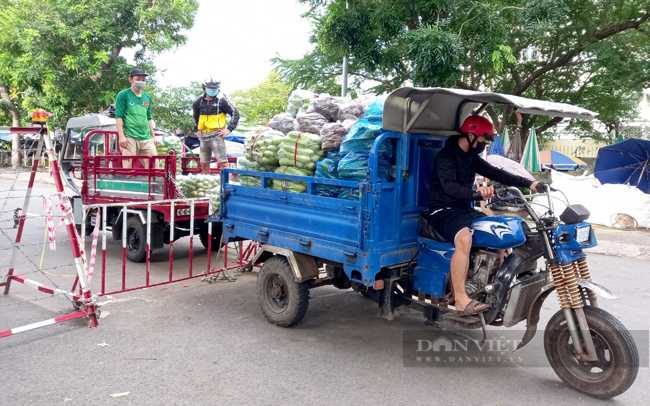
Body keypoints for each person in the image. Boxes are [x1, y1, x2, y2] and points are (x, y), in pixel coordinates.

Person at [426, 115, 545, 315]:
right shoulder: (446, 156)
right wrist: (476, 193)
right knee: (464, 239)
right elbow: (449, 188)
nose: (483, 144)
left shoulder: (471, 158)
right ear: (471, 135)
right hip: (442, 210)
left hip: (464, 209)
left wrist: (529, 183)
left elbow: (497, 173)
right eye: (483, 139)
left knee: (499, 235)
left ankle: (494, 289)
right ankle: (461, 298)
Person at [192, 76, 240, 174]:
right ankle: (206, 184)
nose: (213, 90)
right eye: (210, 88)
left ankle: (228, 185)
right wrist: (197, 129)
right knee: (204, 163)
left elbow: (235, 113)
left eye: (215, 88)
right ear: (204, 87)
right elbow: (194, 116)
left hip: (216, 135)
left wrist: (229, 129)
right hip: (203, 136)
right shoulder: (199, 102)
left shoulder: (222, 101)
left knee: (223, 162)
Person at [115, 68, 157, 168]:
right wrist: (121, 136)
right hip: (129, 136)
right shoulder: (123, 95)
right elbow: (119, 116)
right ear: (131, 80)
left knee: (154, 166)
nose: (141, 82)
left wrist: (153, 136)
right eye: (138, 79)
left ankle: (154, 184)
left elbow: (149, 117)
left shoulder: (147, 98)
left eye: (143, 80)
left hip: (146, 137)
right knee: (128, 166)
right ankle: (126, 183)